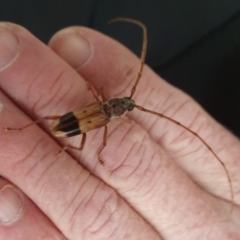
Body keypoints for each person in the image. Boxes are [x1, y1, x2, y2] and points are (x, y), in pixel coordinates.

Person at [0, 22, 240, 240]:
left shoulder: (103, 107)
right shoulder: (107, 117)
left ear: (117, 108)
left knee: (66, 130)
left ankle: (26, 129)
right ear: (118, 110)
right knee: (78, 139)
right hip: (73, 124)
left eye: (124, 105)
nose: (124, 104)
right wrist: (97, 151)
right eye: (124, 103)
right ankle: (26, 129)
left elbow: (98, 90)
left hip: (76, 123)